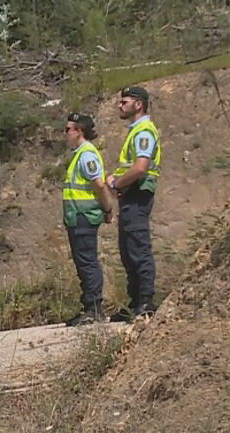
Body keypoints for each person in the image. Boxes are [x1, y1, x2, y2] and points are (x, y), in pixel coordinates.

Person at [106, 85, 162, 320]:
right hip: (131, 195)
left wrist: (118, 184)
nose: (120, 105)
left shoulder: (144, 132)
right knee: (129, 251)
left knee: (138, 247)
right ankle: (134, 302)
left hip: (138, 194)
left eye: (124, 101)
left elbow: (140, 167)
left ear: (138, 104)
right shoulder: (135, 132)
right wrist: (115, 179)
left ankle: (146, 302)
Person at [62, 112, 114, 327]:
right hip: (76, 217)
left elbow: (99, 185)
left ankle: (94, 309)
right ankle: (89, 307)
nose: (65, 134)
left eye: (68, 129)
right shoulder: (79, 155)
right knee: (82, 262)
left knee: (88, 262)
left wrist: (108, 208)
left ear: (79, 131)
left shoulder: (87, 155)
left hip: (84, 216)